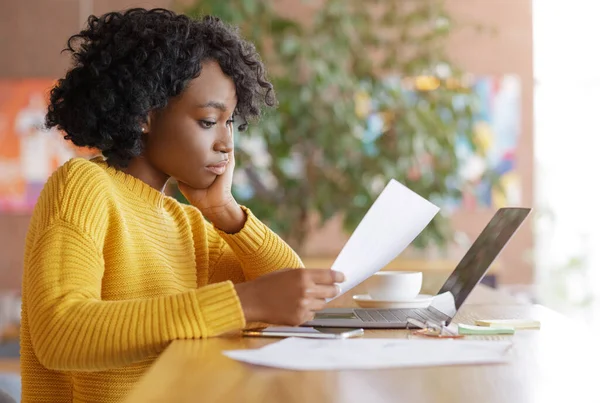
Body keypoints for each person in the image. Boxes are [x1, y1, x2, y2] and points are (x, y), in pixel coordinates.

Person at [21, 8, 344, 403]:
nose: (226, 143)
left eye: (231, 123)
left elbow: (296, 298)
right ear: (144, 115)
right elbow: (61, 334)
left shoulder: (186, 222)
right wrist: (245, 300)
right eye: (209, 121)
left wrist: (227, 212)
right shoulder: (84, 187)